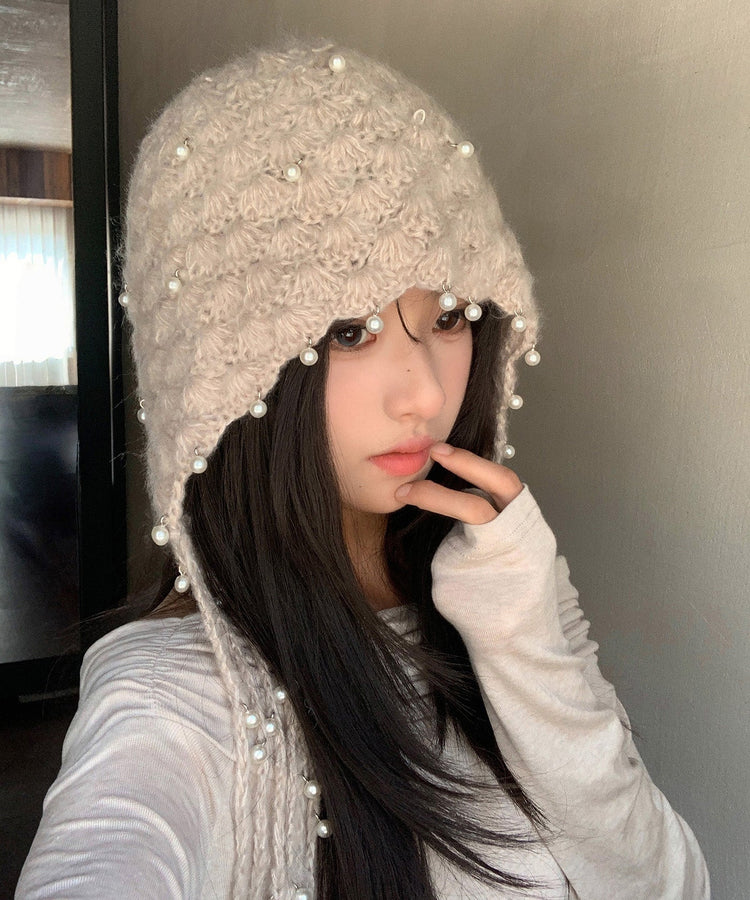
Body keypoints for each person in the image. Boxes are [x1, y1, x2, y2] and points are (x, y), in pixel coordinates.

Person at [16, 35, 709, 900]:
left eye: (448, 318)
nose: (424, 393)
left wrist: (522, 625)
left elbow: (669, 884)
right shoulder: (171, 699)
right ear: (223, 372)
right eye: (349, 332)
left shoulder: (510, 590)